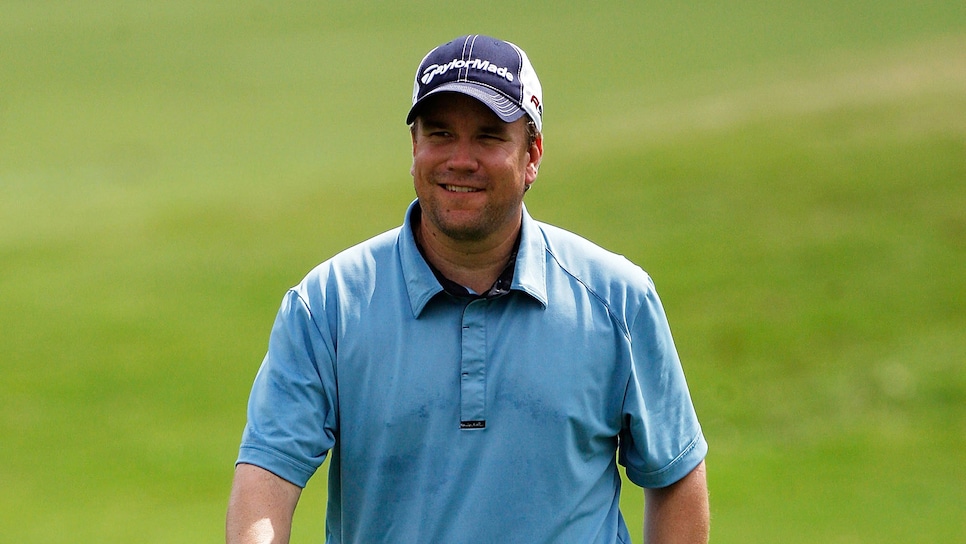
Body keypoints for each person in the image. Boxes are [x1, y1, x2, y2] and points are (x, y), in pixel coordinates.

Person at [226, 34, 709, 544]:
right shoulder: (327, 304)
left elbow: (675, 476)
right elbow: (266, 479)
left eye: (488, 137)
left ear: (532, 154)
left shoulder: (617, 299)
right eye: (439, 134)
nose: (460, 159)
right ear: (414, 148)